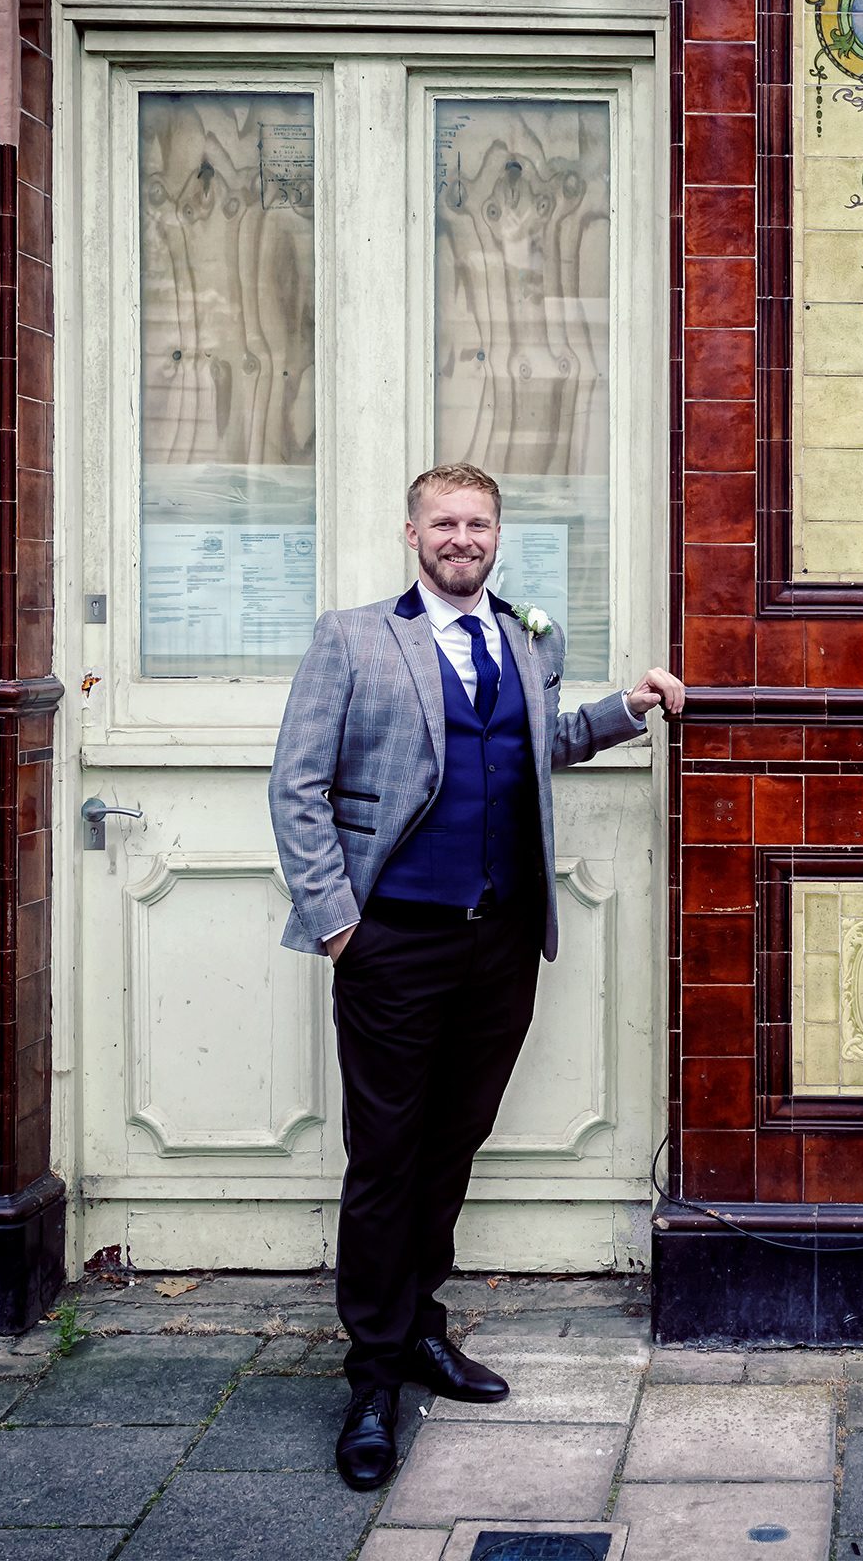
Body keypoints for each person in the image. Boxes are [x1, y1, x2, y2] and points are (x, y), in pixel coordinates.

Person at [268, 463, 684, 1489]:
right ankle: (370, 1377)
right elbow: (296, 789)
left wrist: (626, 708)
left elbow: (538, 750)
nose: (463, 537)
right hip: (391, 944)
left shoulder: (527, 637)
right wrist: (337, 928)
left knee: (453, 1143)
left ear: (498, 535)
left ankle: (419, 1329)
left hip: (498, 943)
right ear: (412, 532)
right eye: (445, 522)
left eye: (478, 523)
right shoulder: (354, 637)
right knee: (385, 1160)